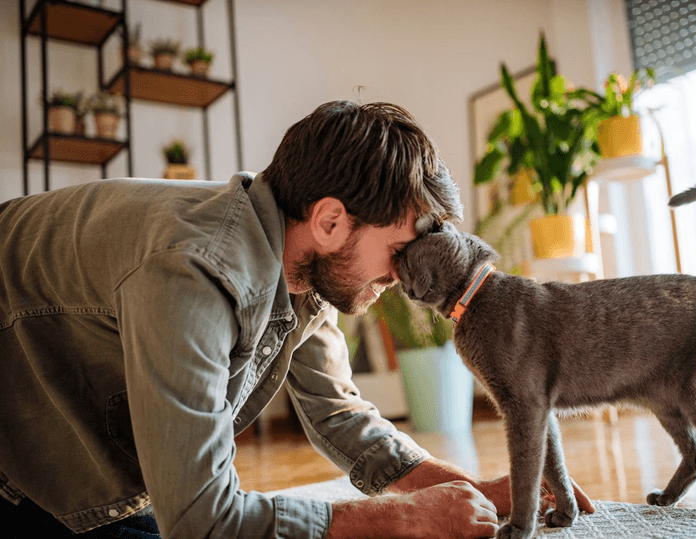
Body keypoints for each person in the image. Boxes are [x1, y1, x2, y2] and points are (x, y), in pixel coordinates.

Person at [0, 101, 592, 538]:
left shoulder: (299, 261)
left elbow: (337, 411)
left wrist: (454, 486)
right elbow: (201, 521)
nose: (406, 276)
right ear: (332, 221)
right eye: (399, 249)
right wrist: (396, 520)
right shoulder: (194, 274)